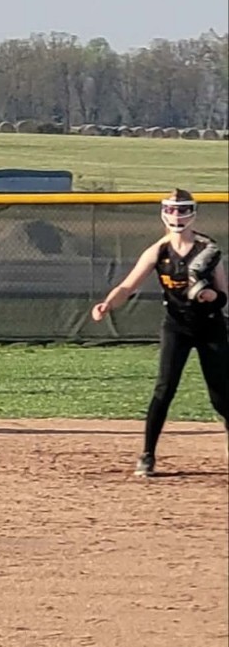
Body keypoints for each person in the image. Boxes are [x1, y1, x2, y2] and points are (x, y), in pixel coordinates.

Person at [91, 188, 228, 477]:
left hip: (210, 326)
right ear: (163, 213)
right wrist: (108, 304)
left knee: (220, 395)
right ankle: (147, 455)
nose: (177, 215)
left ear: (193, 213)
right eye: (172, 209)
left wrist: (210, 296)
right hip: (176, 326)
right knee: (164, 389)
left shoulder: (208, 249)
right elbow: (127, 286)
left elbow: (224, 296)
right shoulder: (158, 251)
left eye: (183, 209)